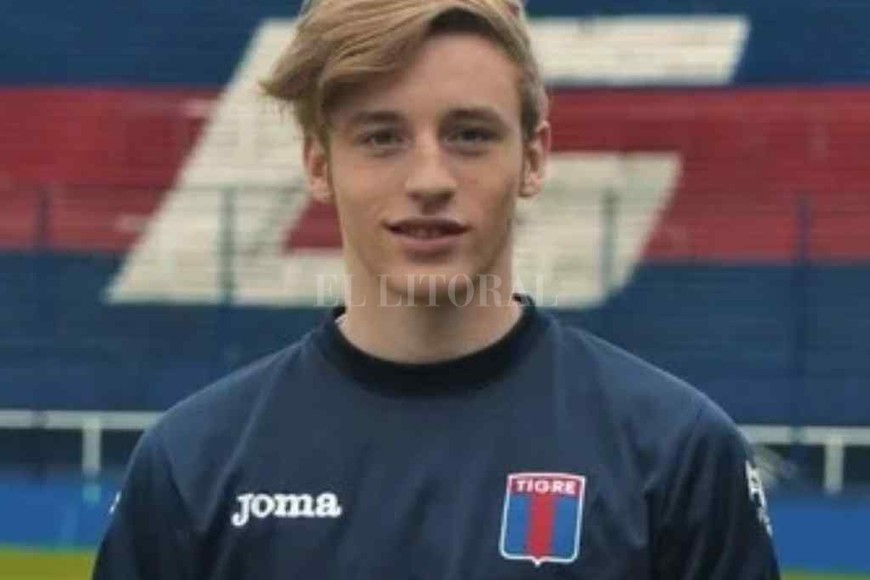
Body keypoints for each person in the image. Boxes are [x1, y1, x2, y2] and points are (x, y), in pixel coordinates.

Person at [92, 0, 781, 578]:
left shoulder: (677, 455)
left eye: (470, 135)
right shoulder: (193, 466)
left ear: (533, 158)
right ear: (319, 164)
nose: (429, 180)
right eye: (381, 138)